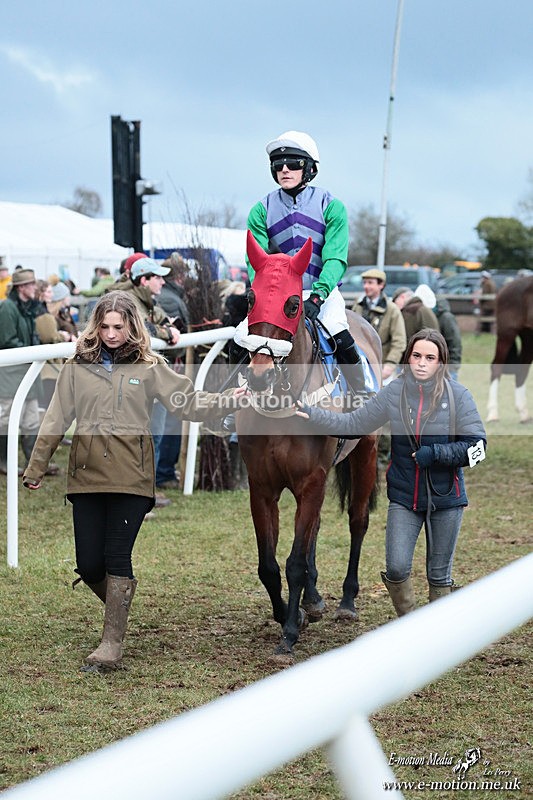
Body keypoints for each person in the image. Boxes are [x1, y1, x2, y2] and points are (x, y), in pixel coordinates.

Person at [21, 291, 245, 671]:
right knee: (89, 565)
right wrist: (36, 467)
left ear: (131, 327)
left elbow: (187, 402)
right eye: (105, 326)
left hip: (133, 478)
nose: (111, 334)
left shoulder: (150, 366)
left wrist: (229, 400)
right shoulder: (75, 368)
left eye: (118, 327)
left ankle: (111, 643)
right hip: (86, 477)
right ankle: (119, 607)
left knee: (116, 556)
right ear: (96, 326)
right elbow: (56, 419)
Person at [296, 329, 486, 617]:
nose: (422, 363)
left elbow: (478, 448)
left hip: (447, 499)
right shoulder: (394, 392)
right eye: (417, 355)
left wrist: (435, 455)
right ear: (408, 358)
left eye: (430, 357)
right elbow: (353, 425)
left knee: (438, 576)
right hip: (404, 497)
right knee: (396, 569)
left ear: (441, 362)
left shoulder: (458, 395)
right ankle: (412, 627)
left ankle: (440, 634)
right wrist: (312, 414)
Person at [246, 130, 366, 396]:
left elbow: (335, 257)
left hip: (319, 293)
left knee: (339, 334)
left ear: (309, 168)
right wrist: (257, 293)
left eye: (294, 164)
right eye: (279, 165)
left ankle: (363, 398)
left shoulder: (332, 207)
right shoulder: (261, 210)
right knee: (241, 338)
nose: (285, 170)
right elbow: (254, 260)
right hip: (276, 298)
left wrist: (319, 297)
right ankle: (234, 410)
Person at [0, 269, 43, 475]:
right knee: (7, 421)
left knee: (31, 421)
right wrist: (33, 350)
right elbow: (7, 342)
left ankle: (32, 465)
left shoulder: (27, 308)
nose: (35, 287)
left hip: (28, 373)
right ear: (22, 288)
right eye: (32, 284)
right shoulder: (7, 308)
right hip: (11, 376)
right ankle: (4, 462)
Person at [353, 268, 406, 383]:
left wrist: (390, 365)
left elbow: (399, 341)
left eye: (370, 283)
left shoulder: (392, 310)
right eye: (364, 282)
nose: (366, 286)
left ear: (381, 285)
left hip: (382, 368)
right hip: (359, 366)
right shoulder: (358, 306)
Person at [434, 294, 462, 380]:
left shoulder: (447, 318)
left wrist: (453, 364)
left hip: (448, 366)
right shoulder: (433, 317)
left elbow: (455, 342)